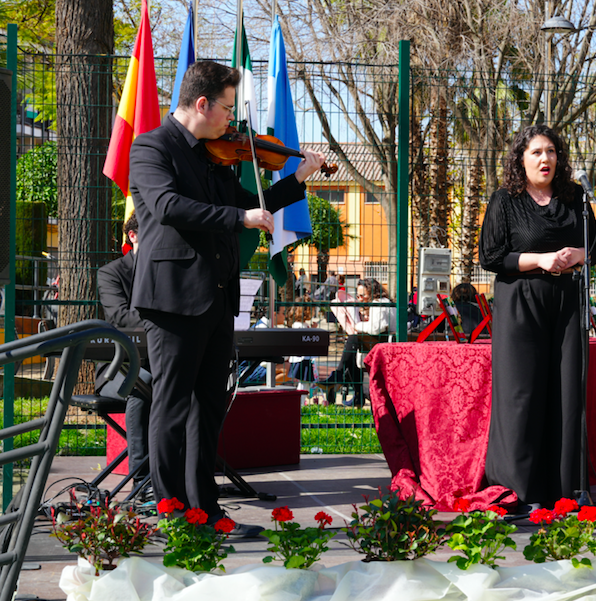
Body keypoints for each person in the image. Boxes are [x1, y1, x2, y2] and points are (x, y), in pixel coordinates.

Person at [128, 60, 326, 527]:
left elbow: (244, 205)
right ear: (202, 104)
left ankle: (206, 508)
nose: (233, 123)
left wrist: (295, 180)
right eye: (227, 109)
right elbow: (168, 207)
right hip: (172, 297)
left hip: (218, 296)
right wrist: (240, 220)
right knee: (172, 405)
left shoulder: (211, 153)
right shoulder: (151, 146)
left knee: (209, 407)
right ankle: (172, 509)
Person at [478, 124, 596, 514]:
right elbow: (491, 256)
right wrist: (541, 260)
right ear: (521, 158)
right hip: (520, 300)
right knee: (522, 394)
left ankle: (565, 488)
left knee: (567, 391)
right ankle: (517, 490)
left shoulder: (575, 197)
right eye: (536, 152)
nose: (545, 159)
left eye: (550, 151)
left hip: (566, 299)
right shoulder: (506, 199)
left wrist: (577, 256)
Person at [95, 213, 153, 495]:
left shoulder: (168, 274)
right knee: (142, 382)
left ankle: (187, 478)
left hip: (161, 363)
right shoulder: (111, 273)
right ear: (133, 236)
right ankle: (142, 482)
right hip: (117, 369)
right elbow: (120, 317)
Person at [321, 278, 395, 407]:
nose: (360, 299)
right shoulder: (381, 302)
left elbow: (376, 327)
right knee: (353, 352)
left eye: (363, 295)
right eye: (358, 295)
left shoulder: (378, 303)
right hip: (382, 344)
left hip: (385, 348)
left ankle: (339, 379)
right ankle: (356, 394)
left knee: (353, 339)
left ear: (372, 293)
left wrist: (358, 325)